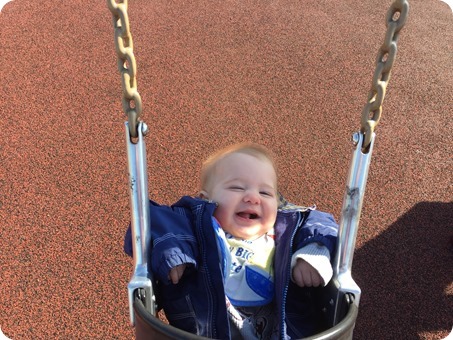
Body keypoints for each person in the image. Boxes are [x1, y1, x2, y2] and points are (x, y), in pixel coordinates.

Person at [124, 143, 338, 339]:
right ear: (205, 199)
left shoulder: (285, 231)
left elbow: (322, 223)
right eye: (237, 188)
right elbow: (150, 220)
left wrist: (313, 251)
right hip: (207, 331)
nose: (253, 197)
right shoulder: (197, 226)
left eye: (265, 192)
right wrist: (174, 250)